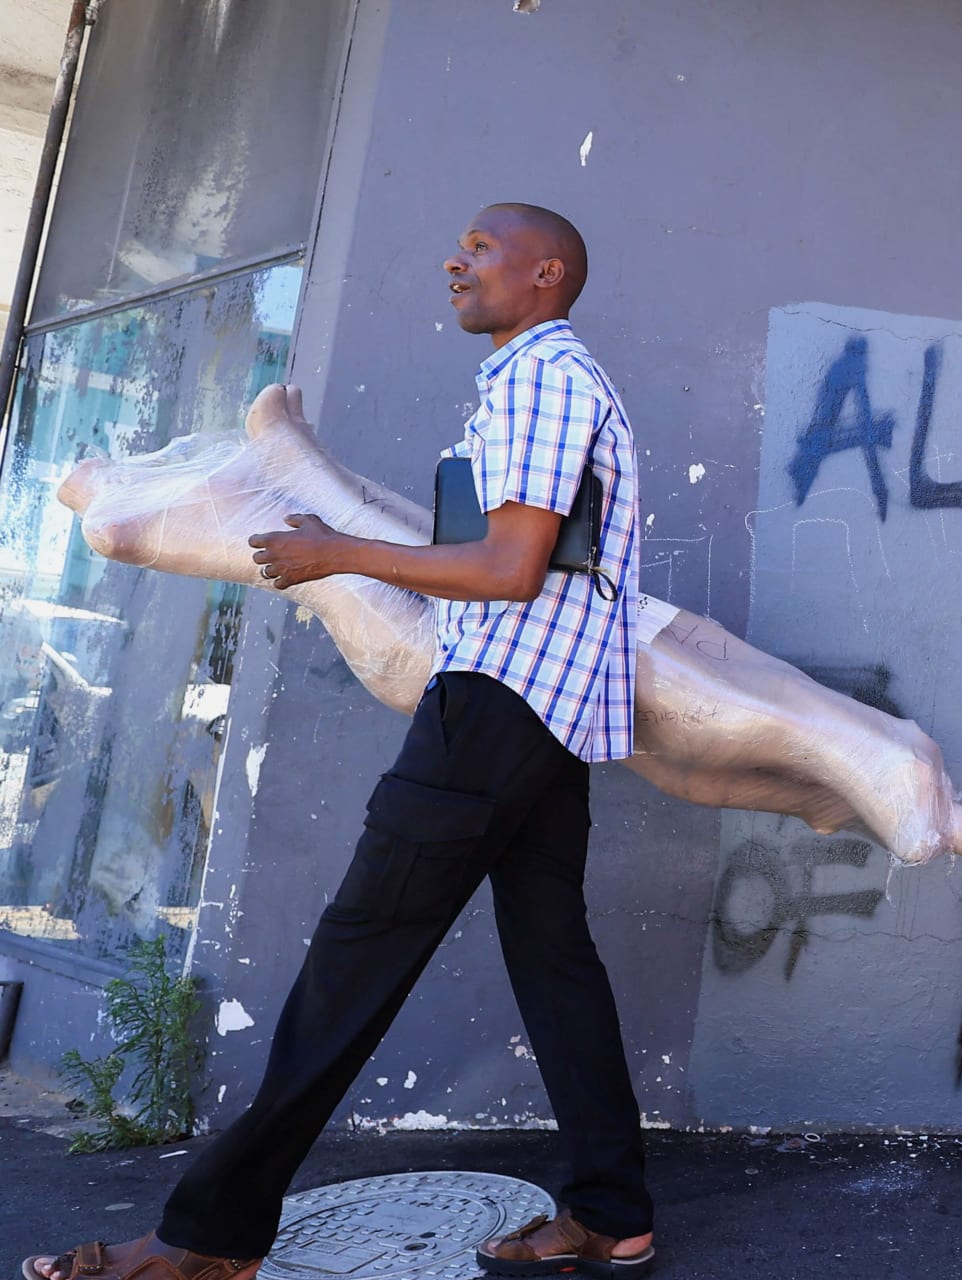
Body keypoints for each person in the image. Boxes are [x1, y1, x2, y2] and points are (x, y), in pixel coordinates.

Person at [24, 203, 659, 1280]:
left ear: (547, 273)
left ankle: (205, 1241)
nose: (454, 257)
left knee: (351, 963)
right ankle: (611, 1210)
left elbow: (510, 566)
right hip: (543, 709)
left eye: (483, 247)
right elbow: (523, 563)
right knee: (554, 957)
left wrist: (334, 553)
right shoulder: (527, 383)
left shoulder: (548, 381)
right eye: (454, 242)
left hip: (504, 701)